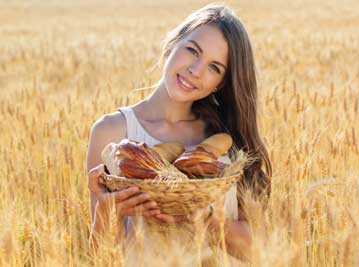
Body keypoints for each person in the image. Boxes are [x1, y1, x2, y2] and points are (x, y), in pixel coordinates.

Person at [86, 3, 272, 262]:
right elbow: (101, 259)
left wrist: (204, 222)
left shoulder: (227, 142)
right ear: (173, 43)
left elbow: (260, 252)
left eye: (214, 68)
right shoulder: (112, 133)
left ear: (222, 84)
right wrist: (106, 213)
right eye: (193, 51)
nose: (195, 70)